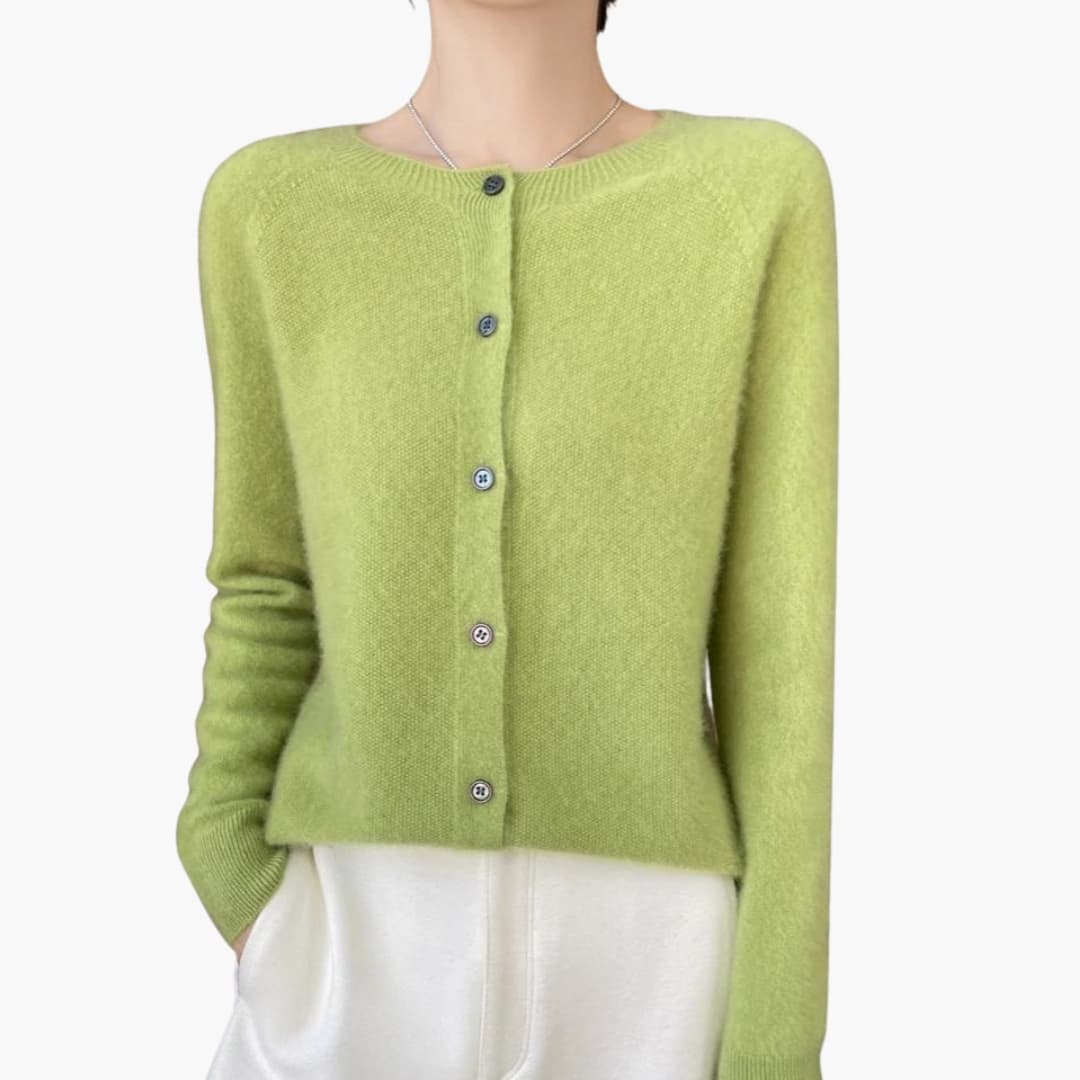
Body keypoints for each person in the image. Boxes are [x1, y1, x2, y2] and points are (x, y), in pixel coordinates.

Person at [175, 1, 840, 1077]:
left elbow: (782, 641)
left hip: (654, 972)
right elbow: (265, 578)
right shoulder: (271, 206)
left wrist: (775, 1041)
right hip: (347, 941)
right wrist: (234, 870)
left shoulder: (751, 191)